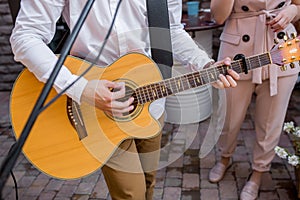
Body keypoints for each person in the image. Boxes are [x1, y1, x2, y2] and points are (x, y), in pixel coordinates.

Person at [10, 0, 240, 199]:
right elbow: (25, 36)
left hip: (151, 99)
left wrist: (204, 63)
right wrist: (80, 88)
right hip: (94, 108)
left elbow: (169, 30)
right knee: (131, 194)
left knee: (149, 182)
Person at [209, 0, 300, 199]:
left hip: (282, 48)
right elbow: (218, 16)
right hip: (237, 51)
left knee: (271, 122)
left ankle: (258, 172)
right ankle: (224, 158)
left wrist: (294, 10)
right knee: (229, 117)